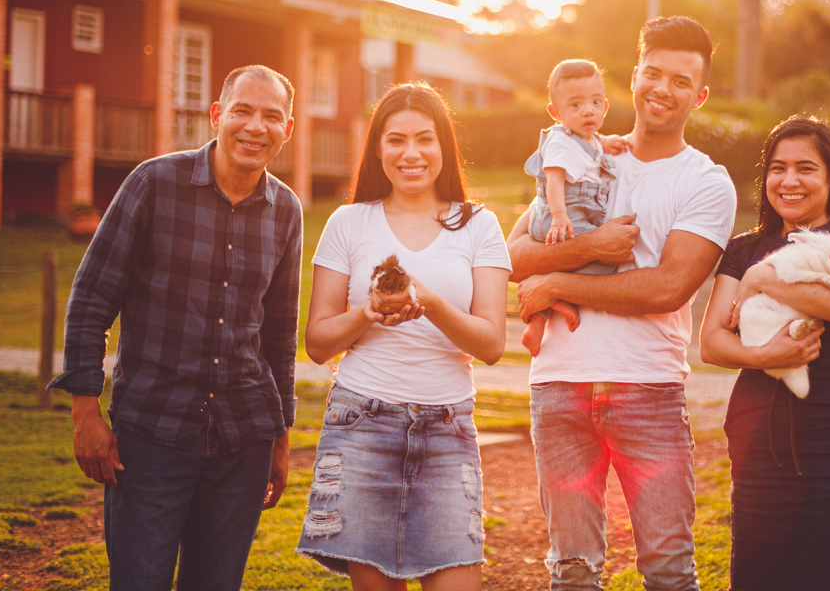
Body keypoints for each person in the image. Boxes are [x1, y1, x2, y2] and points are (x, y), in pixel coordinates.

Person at [47, 65, 302, 591]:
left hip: (242, 438)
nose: (256, 126)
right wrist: (84, 412)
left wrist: (279, 437)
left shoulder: (287, 211)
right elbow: (92, 297)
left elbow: (278, 332)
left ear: (288, 130)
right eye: (243, 111)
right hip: (152, 435)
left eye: (271, 116)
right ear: (217, 116)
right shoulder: (153, 183)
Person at [510, 16, 737, 591]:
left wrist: (559, 284)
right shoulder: (580, 151)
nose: (663, 89)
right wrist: (587, 247)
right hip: (559, 388)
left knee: (667, 569)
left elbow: (667, 288)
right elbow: (510, 256)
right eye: (653, 73)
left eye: (680, 81)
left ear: (700, 95)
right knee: (573, 571)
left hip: (648, 392)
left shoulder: (706, 182)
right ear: (633, 77)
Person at [296, 83, 510, 591]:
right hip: (360, 426)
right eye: (396, 140)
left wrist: (430, 303)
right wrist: (367, 312)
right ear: (377, 149)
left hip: (447, 430)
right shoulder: (348, 222)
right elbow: (319, 342)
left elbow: (492, 344)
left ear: (443, 149)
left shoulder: (480, 225)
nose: (410, 153)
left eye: (424, 139)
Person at [699, 115, 830, 591]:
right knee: (761, 576)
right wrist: (769, 355)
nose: (790, 181)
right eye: (778, 168)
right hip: (760, 432)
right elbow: (711, 342)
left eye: (806, 168)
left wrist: (765, 280)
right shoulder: (743, 249)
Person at [521, 58, 624, 356]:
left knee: (588, 255)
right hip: (561, 216)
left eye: (594, 102)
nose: (587, 111)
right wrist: (559, 217)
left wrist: (607, 141)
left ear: (605, 106)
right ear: (557, 113)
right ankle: (556, 292)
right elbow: (553, 181)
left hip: (568, 214)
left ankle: (537, 324)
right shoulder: (558, 141)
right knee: (604, 260)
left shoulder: (588, 138)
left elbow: (588, 144)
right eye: (576, 105)